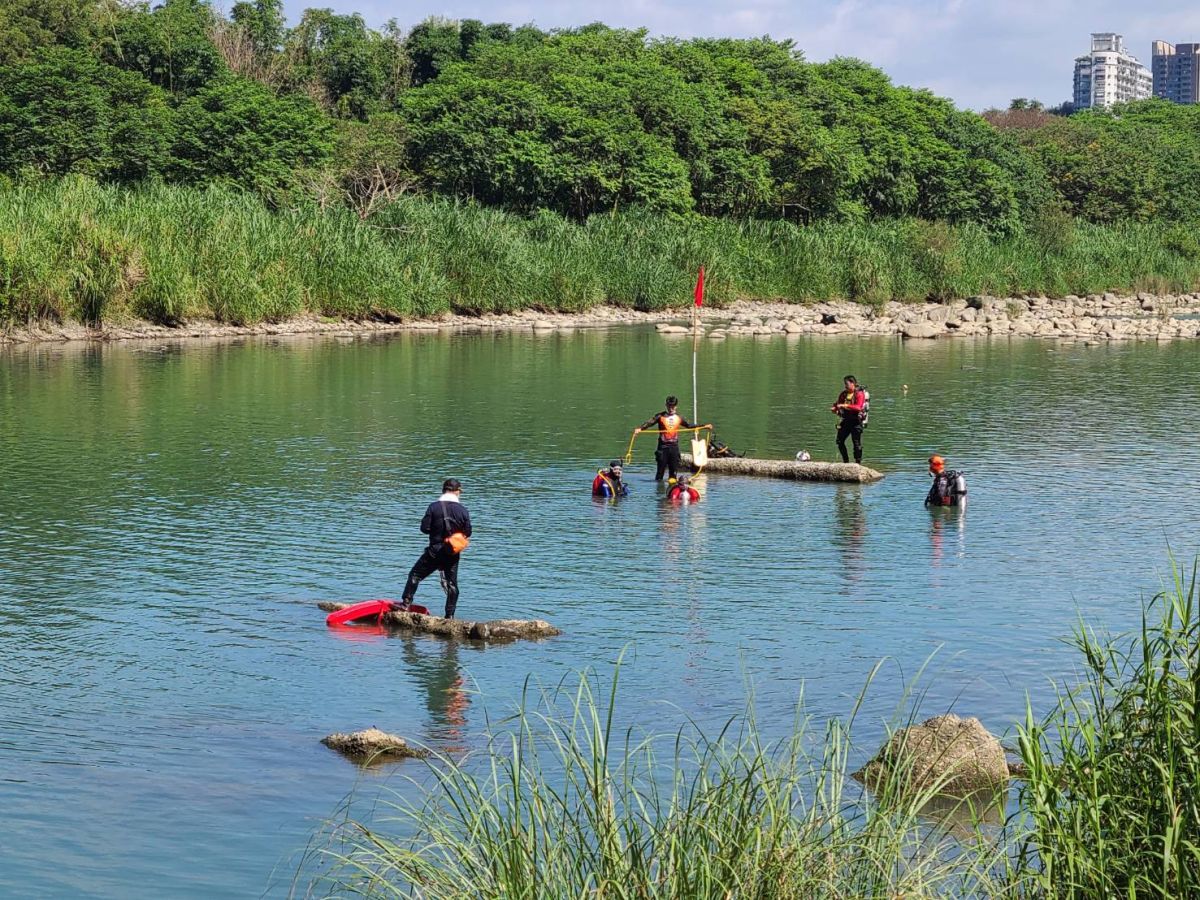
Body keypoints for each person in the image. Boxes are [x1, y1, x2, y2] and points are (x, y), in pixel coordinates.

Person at [399, 478, 472, 619]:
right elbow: (468, 532)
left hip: (434, 551)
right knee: (452, 585)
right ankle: (449, 617)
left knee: (415, 576)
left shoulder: (433, 507)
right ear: (456, 492)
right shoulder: (463, 510)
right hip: (452, 552)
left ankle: (405, 604)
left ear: (443, 491)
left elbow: (424, 529)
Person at [636, 395, 703, 482]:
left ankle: (672, 491)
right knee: (660, 473)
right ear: (666, 405)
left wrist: (704, 426)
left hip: (674, 447)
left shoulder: (679, 417)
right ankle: (659, 493)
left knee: (673, 474)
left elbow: (689, 426)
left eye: (673, 406)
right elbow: (649, 423)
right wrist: (640, 429)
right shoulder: (660, 416)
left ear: (676, 406)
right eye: (669, 406)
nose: (671, 408)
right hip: (663, 447)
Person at [831, 375, 867, 464]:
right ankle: (846, 462)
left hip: (856, 421)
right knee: (839, 441)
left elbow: (858, 407)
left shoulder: (859, 394)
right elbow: (838, 404)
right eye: (845, 384)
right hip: (846, 421)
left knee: (856, 444)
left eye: (846, 384)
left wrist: (845, 405)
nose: (845, 386)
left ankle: (858, 463)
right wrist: (835, 409)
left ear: (853, 383)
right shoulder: (843, 394)